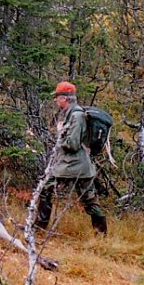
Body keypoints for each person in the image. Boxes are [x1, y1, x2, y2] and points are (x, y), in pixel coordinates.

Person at [35, 81, 107, 234]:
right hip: (81, 166)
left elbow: (72, 144)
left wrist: (60, 134)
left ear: (65, 98)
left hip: (72, 165)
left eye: (57, 97)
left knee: (46, 188)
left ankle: (38, 227)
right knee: (90, 200)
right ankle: (101, 234)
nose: (55, 100)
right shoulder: (74, 114)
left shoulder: (76, 116)